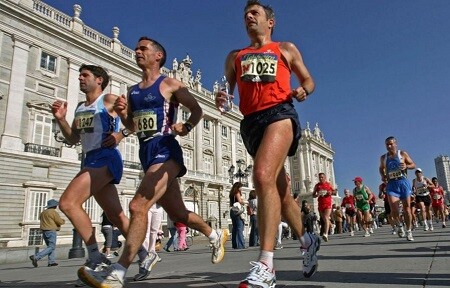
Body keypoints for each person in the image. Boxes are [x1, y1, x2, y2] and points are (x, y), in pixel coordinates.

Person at [80, 37, 228, 288]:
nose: (137, 51)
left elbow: (197, 110)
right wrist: (124, 119)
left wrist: (187, 125)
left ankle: (118, 272)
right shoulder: (133, 91)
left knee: (138, 206)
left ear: (158, 56)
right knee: (178, 213)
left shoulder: (170, 84)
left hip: (166, 148)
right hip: (146, 152)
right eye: (136, 48)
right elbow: (133, 126)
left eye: (143, 48)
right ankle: (215, 235)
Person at [216, 1, 320, 286]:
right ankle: (308, 240)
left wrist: (303, 90)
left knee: (261, 176)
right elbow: (227, 90)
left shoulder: (285, 48)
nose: (248, 17)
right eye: (245, 15)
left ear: (270, 22)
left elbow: (309, 80)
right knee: (282, 193)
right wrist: (223, 99)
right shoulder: (235, 56)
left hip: (280, 114)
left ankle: (266, 265)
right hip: (251, 123)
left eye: (255, 13)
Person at [51, 65, 150, 281]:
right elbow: (73, 139)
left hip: (106, 157)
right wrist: (60, 119)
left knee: (68, 203)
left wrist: (121, 134)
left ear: (99, 80)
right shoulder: (79, 107)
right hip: (90, 158)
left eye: (85, 75)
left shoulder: (108, 100)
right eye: (80, 75)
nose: (80, 78)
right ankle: (144, 254)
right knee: (116, 215)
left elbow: (135, 121)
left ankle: (95, 256)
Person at [379, 136, 416, 241]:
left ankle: (409, 231)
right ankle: (400, 225)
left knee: (407, 209)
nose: (389, 146)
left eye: (391, 144)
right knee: (394, 210)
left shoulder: (402, 154)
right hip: (391, 184)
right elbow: (381, 168)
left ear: (396, 144)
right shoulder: (383, 158)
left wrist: (407, 166)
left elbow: (413, 164)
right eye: (387, 144)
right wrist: (382, 175)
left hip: (403, 183)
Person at [29, 199, 65, 267]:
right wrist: (63, 221)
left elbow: (41, 220)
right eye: (56, 205)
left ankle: (51, 262)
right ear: (54, 206)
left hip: (44, 231)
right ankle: (36, 257)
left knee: (50, 247)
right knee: (51, 246)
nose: (56, 206)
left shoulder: (43, 212)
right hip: (51, 230)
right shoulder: (53, 212)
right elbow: (59, 221)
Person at [133, 204, 164, 281]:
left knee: (154, 231)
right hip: (147, 206)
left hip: (158, 207)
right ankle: (146, 257)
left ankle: (151, 252)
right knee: (145, 231)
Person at [313, 173, 337, 242]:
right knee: (324, 219)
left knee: (326, 218)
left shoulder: (328, 184)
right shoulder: (317, 186)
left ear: (325, 177)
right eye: (320, 177)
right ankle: (332, 225)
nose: (321, 178)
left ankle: (325, 234)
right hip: (320, 204)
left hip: (328, 203)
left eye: (322, 177)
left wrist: (330, 192)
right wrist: (317, 194)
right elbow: (313, 195)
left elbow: (335, 191)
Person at [229, 182, 247, 249]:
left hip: (232, 211)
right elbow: (240, 201)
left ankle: (235, 245)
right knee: (240, 228)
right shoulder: (237, 192)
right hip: (238, 211)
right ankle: (241, 245)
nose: (241, 188)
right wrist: (244, 202)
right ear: (238, 187)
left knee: (234, 228)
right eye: (241, 187)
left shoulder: (231, 193)